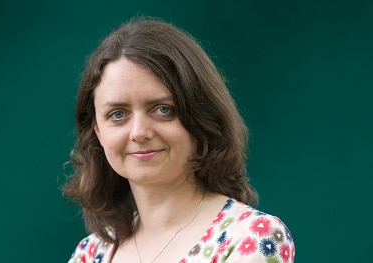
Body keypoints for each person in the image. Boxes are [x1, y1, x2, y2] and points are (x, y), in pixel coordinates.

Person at [64, 17, 295, 263]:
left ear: (200, 116)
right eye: (118, 115)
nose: (139, 132)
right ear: (98, 131)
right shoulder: (90, 253)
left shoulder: (250, 238)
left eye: (162, 109)